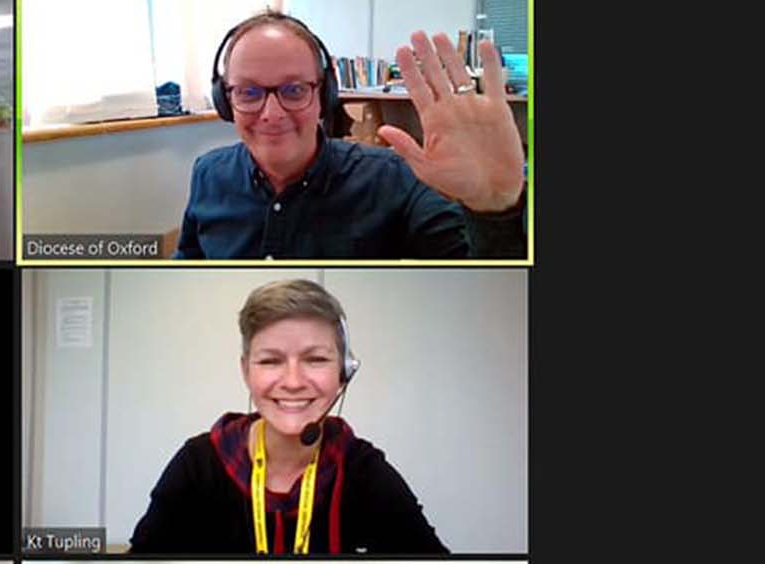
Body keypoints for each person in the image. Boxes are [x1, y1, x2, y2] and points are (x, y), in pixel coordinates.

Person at [174, 9, 526, 259]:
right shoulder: (208, 173)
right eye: (248, 93)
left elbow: (474, 275)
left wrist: (494, 211)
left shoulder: (392, 180)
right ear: (225, 99)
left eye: (294, 90)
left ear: (324, 95)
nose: (272, 114)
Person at [129, 279, 446, 554]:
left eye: (316, 359)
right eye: (270, 361)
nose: (293, 382)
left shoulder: (361, 469)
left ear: (344, 372)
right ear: (246, 371)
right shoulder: (199, 464)